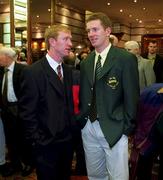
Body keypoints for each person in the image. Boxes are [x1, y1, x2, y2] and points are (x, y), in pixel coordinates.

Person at [78, 12, 140, 180]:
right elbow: (85, 94)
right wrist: (83, 123)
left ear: (107, 31)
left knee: (118, 176)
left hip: (115, 127)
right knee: (95, 175)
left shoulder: (125, 59)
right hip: (89, 128)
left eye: (95, 29)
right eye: (89, 30)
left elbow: (132, 96)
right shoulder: (86, 62)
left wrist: (126, 128)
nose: (91, 34)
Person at [19, 24, 74, 180]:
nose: (70, 43)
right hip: (45, 145)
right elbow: (27, 113)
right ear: (52, 42)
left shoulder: (68, 71)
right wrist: (38, 141)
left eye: (70, 38)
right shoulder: (32, 72)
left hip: (67, 143)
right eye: (66, 39)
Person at [0, 47, 34, 177]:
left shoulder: (23, 70)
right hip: (6, 110)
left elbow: (29, 93)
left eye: (0, 56)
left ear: (7, 57)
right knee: (10, 140)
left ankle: (28, 163)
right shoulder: (1, 71)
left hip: (20, 110)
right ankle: (15, 165)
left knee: (24, 139)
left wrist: (25, 111)